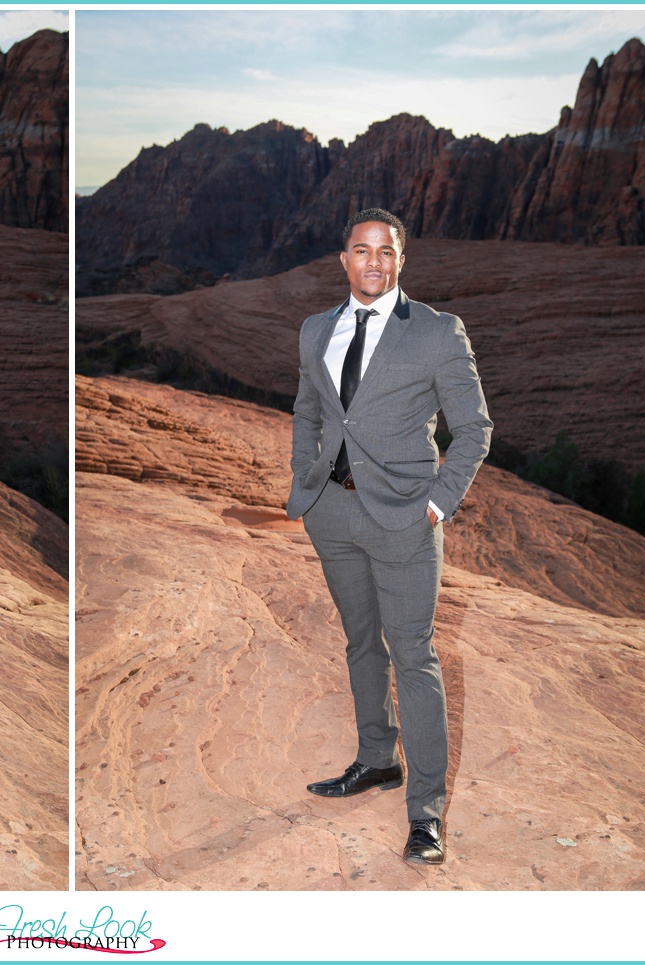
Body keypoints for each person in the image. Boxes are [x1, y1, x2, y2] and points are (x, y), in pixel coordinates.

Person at [286, 207, 491, 865]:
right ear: (342, 258)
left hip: (405, 519)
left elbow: (475, 428)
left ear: (401, 261)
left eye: (386, 252)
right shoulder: (318, 328)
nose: (373, 262)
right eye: (360, 250)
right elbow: (309, 409)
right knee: (359, 642)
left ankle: (425, 816)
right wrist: (305, 485)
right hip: (333, 516)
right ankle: (376, 758)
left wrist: (435, 504)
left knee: (414, 656)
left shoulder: (436, 332)